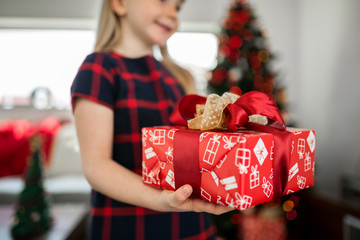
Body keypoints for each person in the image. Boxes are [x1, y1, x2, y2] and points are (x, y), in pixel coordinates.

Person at [71, 0, 232, 239]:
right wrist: (160, 198)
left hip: (192, 226)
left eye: (177, 7)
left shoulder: (180, 78)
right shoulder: (100, 69)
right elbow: (96, 164)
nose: (172, 13)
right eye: (163, 1)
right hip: (128, 227)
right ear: (119, 4)